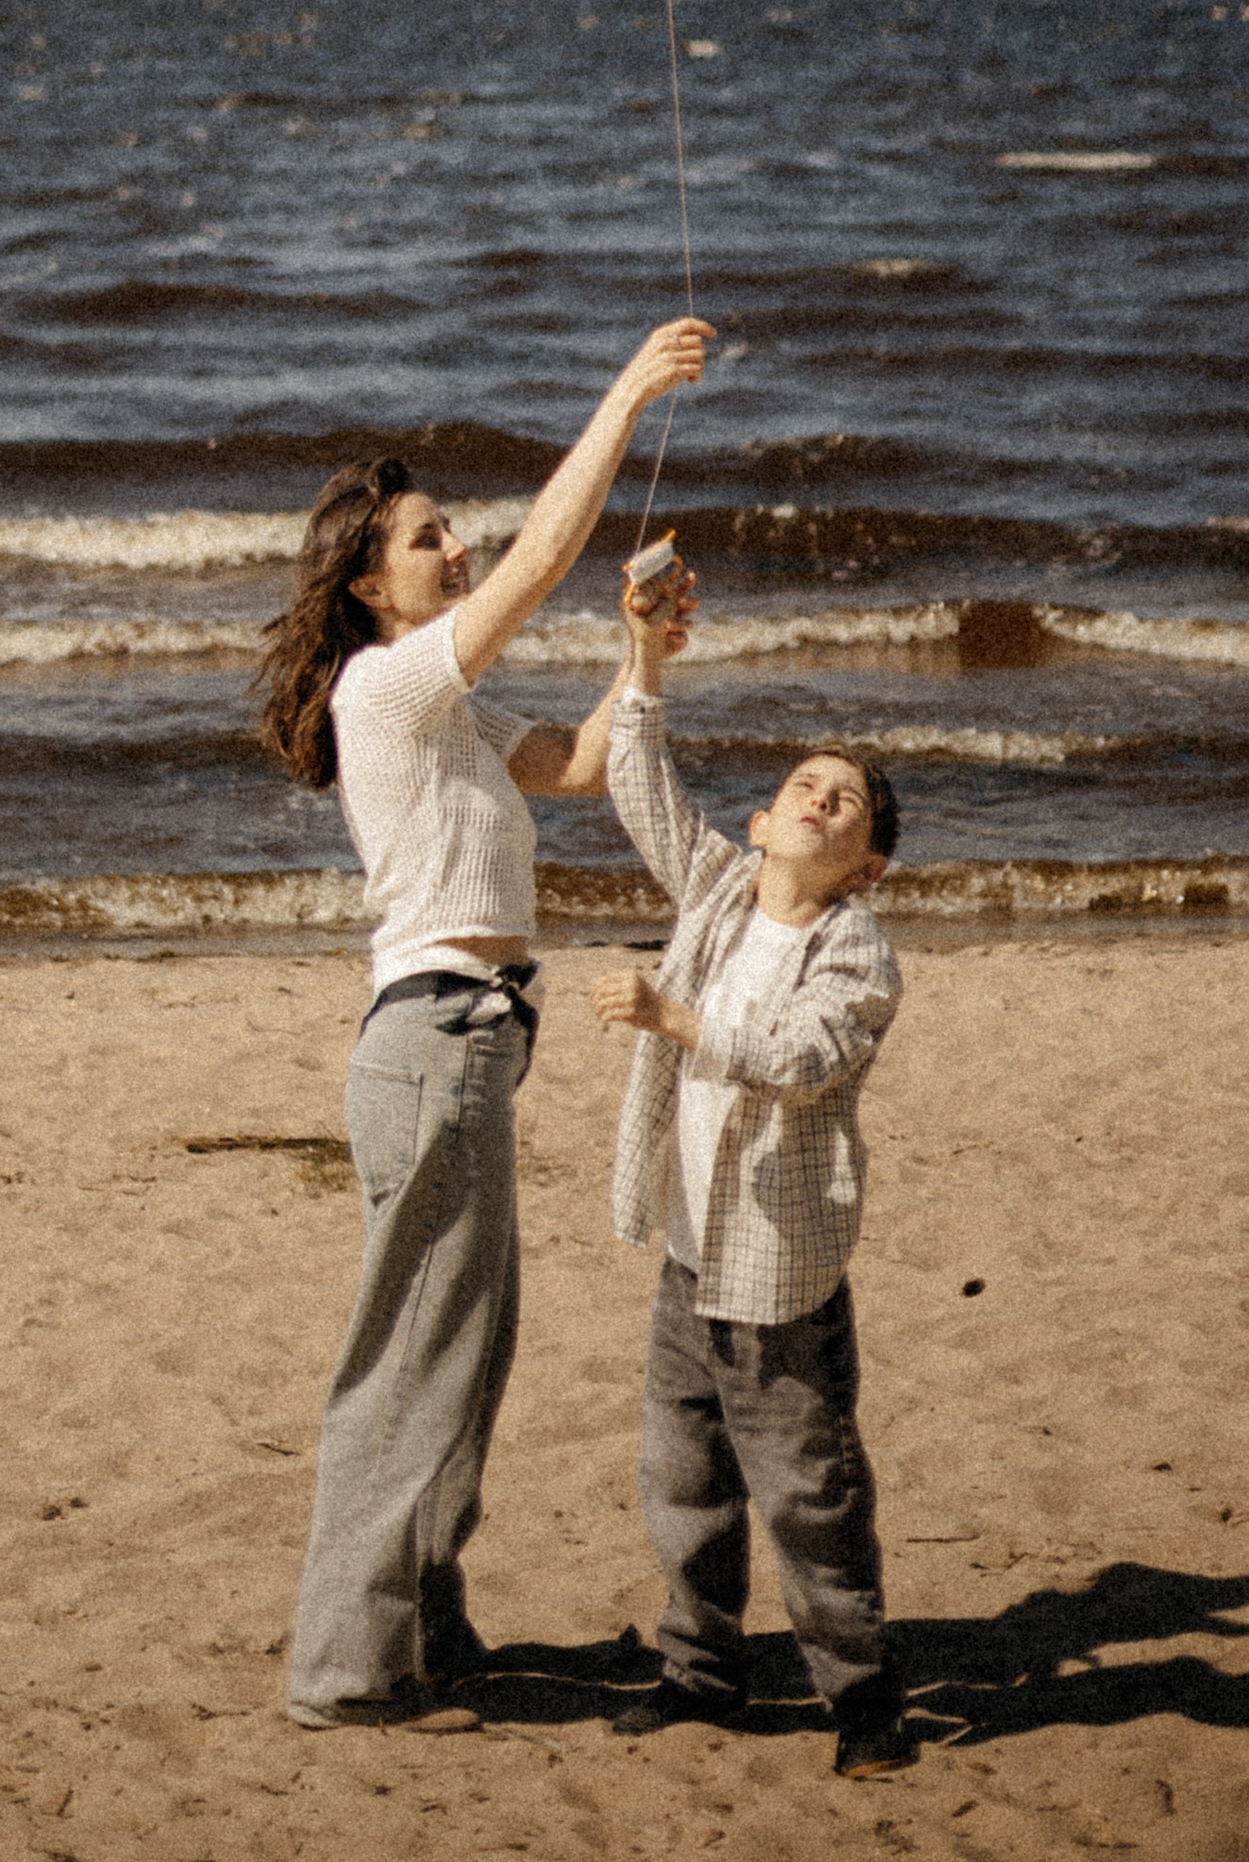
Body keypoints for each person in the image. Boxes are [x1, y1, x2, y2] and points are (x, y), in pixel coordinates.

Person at [259, 315, 714, 1733]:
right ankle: (345, 1672)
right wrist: (628, 398)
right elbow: (541, 566)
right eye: (430, 541)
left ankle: (423, 1634)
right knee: (413, 1357)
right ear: (367, 584)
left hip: (464, 1051)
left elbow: (577, 765)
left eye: (452, 535)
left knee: (465, 1349)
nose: (456, 552)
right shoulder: (385, 684)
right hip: (434, 1044)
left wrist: (644, 657)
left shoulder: (442, 710)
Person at [588, 564, 923, 1778]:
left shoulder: (859, 953)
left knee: (808, 1494)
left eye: (846, 802)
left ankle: (864, 1701)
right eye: (804, 787)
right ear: (761, 826)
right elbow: (637, 781)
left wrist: (673, 1021)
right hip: (691, 1253)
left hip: (778, 1275)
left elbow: (799, 1058)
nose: (821, 801)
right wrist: (644, 653)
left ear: (867, 862)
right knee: (681, 1478)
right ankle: (700, 1674)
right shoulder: (720, 893)